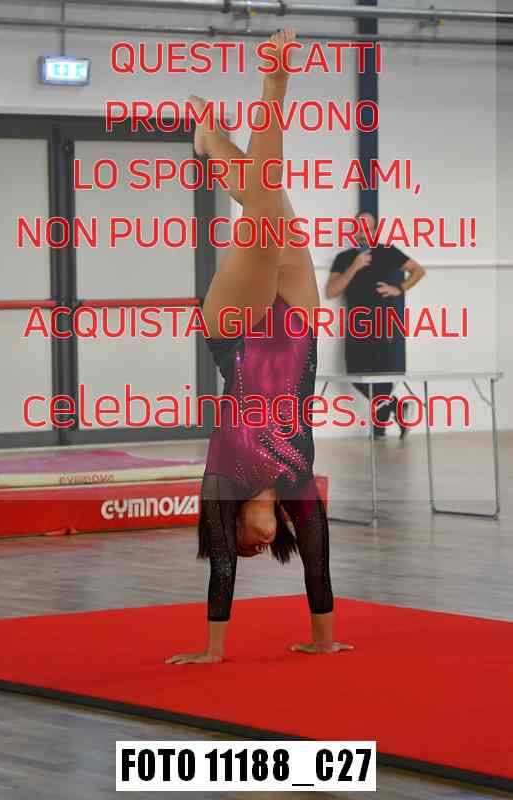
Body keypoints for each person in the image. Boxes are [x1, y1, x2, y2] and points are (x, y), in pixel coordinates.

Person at [166, 29, 353, 665]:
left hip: (236, 336)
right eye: (257, 550)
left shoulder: (225, 481)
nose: (248, 549)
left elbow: (220, 571)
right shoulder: (296, 483)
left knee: (265, 215)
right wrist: (323, 641)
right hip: (298, 326)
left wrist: (212, 654)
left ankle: (273, 86)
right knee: (273, 204)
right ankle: (213, 140)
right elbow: (318, 564)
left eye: (241, 545)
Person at [325, 212, 425, 438]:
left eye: (367, 228)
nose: (362, 233)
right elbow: (331, 291)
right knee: (355, 373)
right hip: (356, 325)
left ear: (374, 231)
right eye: (359, 228)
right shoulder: (344, 258)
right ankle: (397, 407)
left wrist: (399, 288)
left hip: (382, 324)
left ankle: (380, 426)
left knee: (381, 375)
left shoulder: (388, 252)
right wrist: (354, 267)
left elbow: (418, 270)